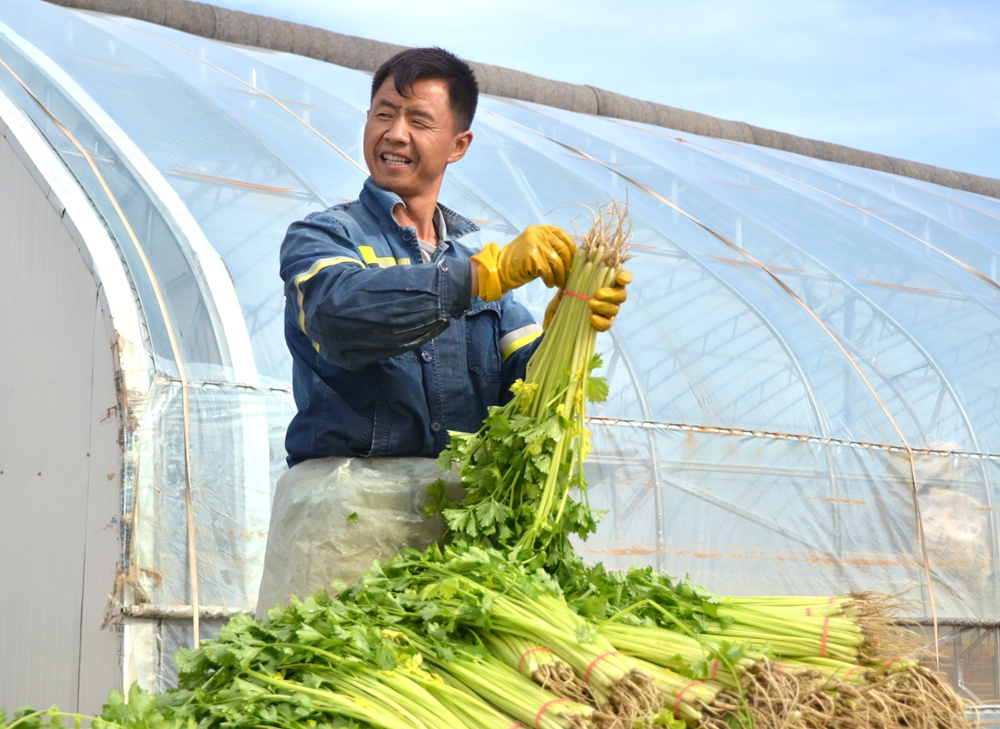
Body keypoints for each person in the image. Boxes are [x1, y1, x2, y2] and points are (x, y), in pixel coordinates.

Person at [278, 46, 631, 467]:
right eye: (384, 114)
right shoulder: (325, 236)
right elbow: (337, 315)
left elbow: (521, 396)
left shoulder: (479, 268)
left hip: (451, 519)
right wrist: (480, 277)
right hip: (347, 517)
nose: (395, 133)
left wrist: (565, 330)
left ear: (458, 145)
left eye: (419, 121)